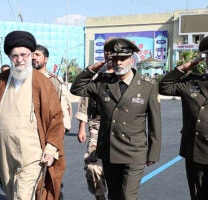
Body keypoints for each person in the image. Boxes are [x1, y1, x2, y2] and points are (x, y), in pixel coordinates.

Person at [70, 38, 162, 200]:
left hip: (134, 151)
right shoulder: (102, 82)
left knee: (127, 195)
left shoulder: (147, 85)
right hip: (109, 151)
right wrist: (92, 69)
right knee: (114, 195)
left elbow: (155, 122)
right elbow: (77, 88)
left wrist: (153, 153)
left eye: (123, 58)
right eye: (114, 59)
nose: (118, 62)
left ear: (131, 60)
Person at [0, 30, 65, 200]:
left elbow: (56, 117)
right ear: (9, 56)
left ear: (32, 54)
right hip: (4, 153)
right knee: (12, 195)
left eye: (24, 55)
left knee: (23, 196)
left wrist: (50, 147)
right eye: (15, 55)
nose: (19, 59)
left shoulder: (42, 83)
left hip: (32, 154)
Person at [159, 36, 208, 200]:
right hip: (195, 152)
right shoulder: (192, 81)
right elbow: (164, 87)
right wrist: (184, 68)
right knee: (197, 195)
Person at [76, 44, 113, 200]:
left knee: (118, 169)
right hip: (96, 127)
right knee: (92, 166)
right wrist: (82, 127)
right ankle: (99, 196)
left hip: (120, 129)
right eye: (107, 51)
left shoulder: (129, 77)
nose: (110, 54)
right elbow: (85, 101)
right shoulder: (96, 77)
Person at [32, 44, 72, 132]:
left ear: (46, 59)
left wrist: (63, 128)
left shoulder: (54, 81)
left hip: (48, 128)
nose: (34, 57)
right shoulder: (25, 80)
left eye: (37, 55)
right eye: (32, 55)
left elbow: (64, 105)